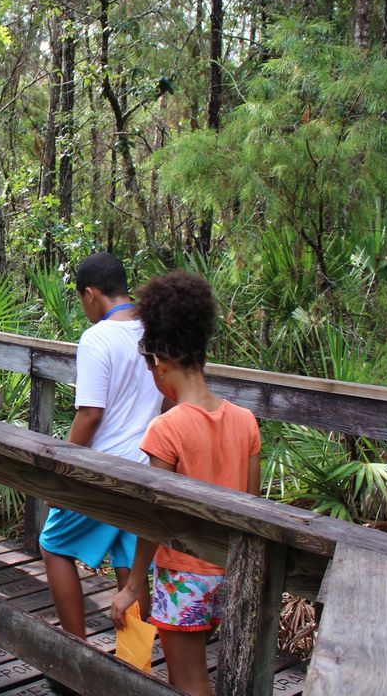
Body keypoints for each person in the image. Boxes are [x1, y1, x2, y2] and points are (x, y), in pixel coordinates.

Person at [110, 271, 261, 696]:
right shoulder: (246, 421)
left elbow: (155, 518)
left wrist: (134, 586)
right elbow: (250, 507)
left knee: (188, 682)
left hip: (184, 576)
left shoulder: (167, 428)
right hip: (233, 573)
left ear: (161, 361)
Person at [39, 252, 162, 691]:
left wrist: (64, 470)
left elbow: (91, 413)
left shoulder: (97, 338)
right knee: (131, 567)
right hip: (147, 467)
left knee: (53, 544)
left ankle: (77, 658)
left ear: (91, 294)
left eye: (82, 300)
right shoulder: (153, 332)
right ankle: (133, 669)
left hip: (103, 471)